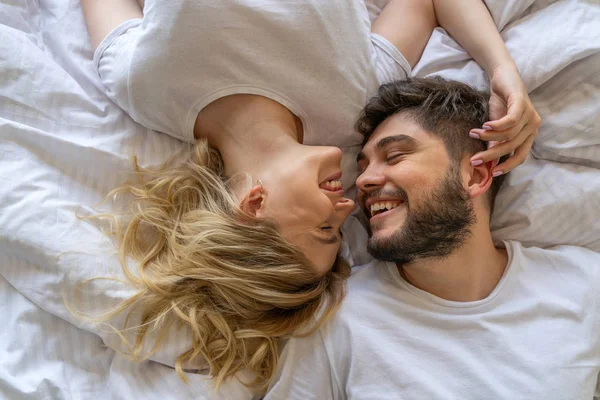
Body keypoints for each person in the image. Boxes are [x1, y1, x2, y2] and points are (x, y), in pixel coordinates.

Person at [79, 0, 540, 390]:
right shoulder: (356, 105)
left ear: (253, 206)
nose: (349, 204)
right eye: (342, 228)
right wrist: (502, 69)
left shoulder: (144, 86)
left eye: (325, 228)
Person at [265, 77, 600, 399]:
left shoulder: (584, 284)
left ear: (475, 174)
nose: (364, 180)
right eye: (363, 165)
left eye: (395, 156)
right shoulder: (333, 319)